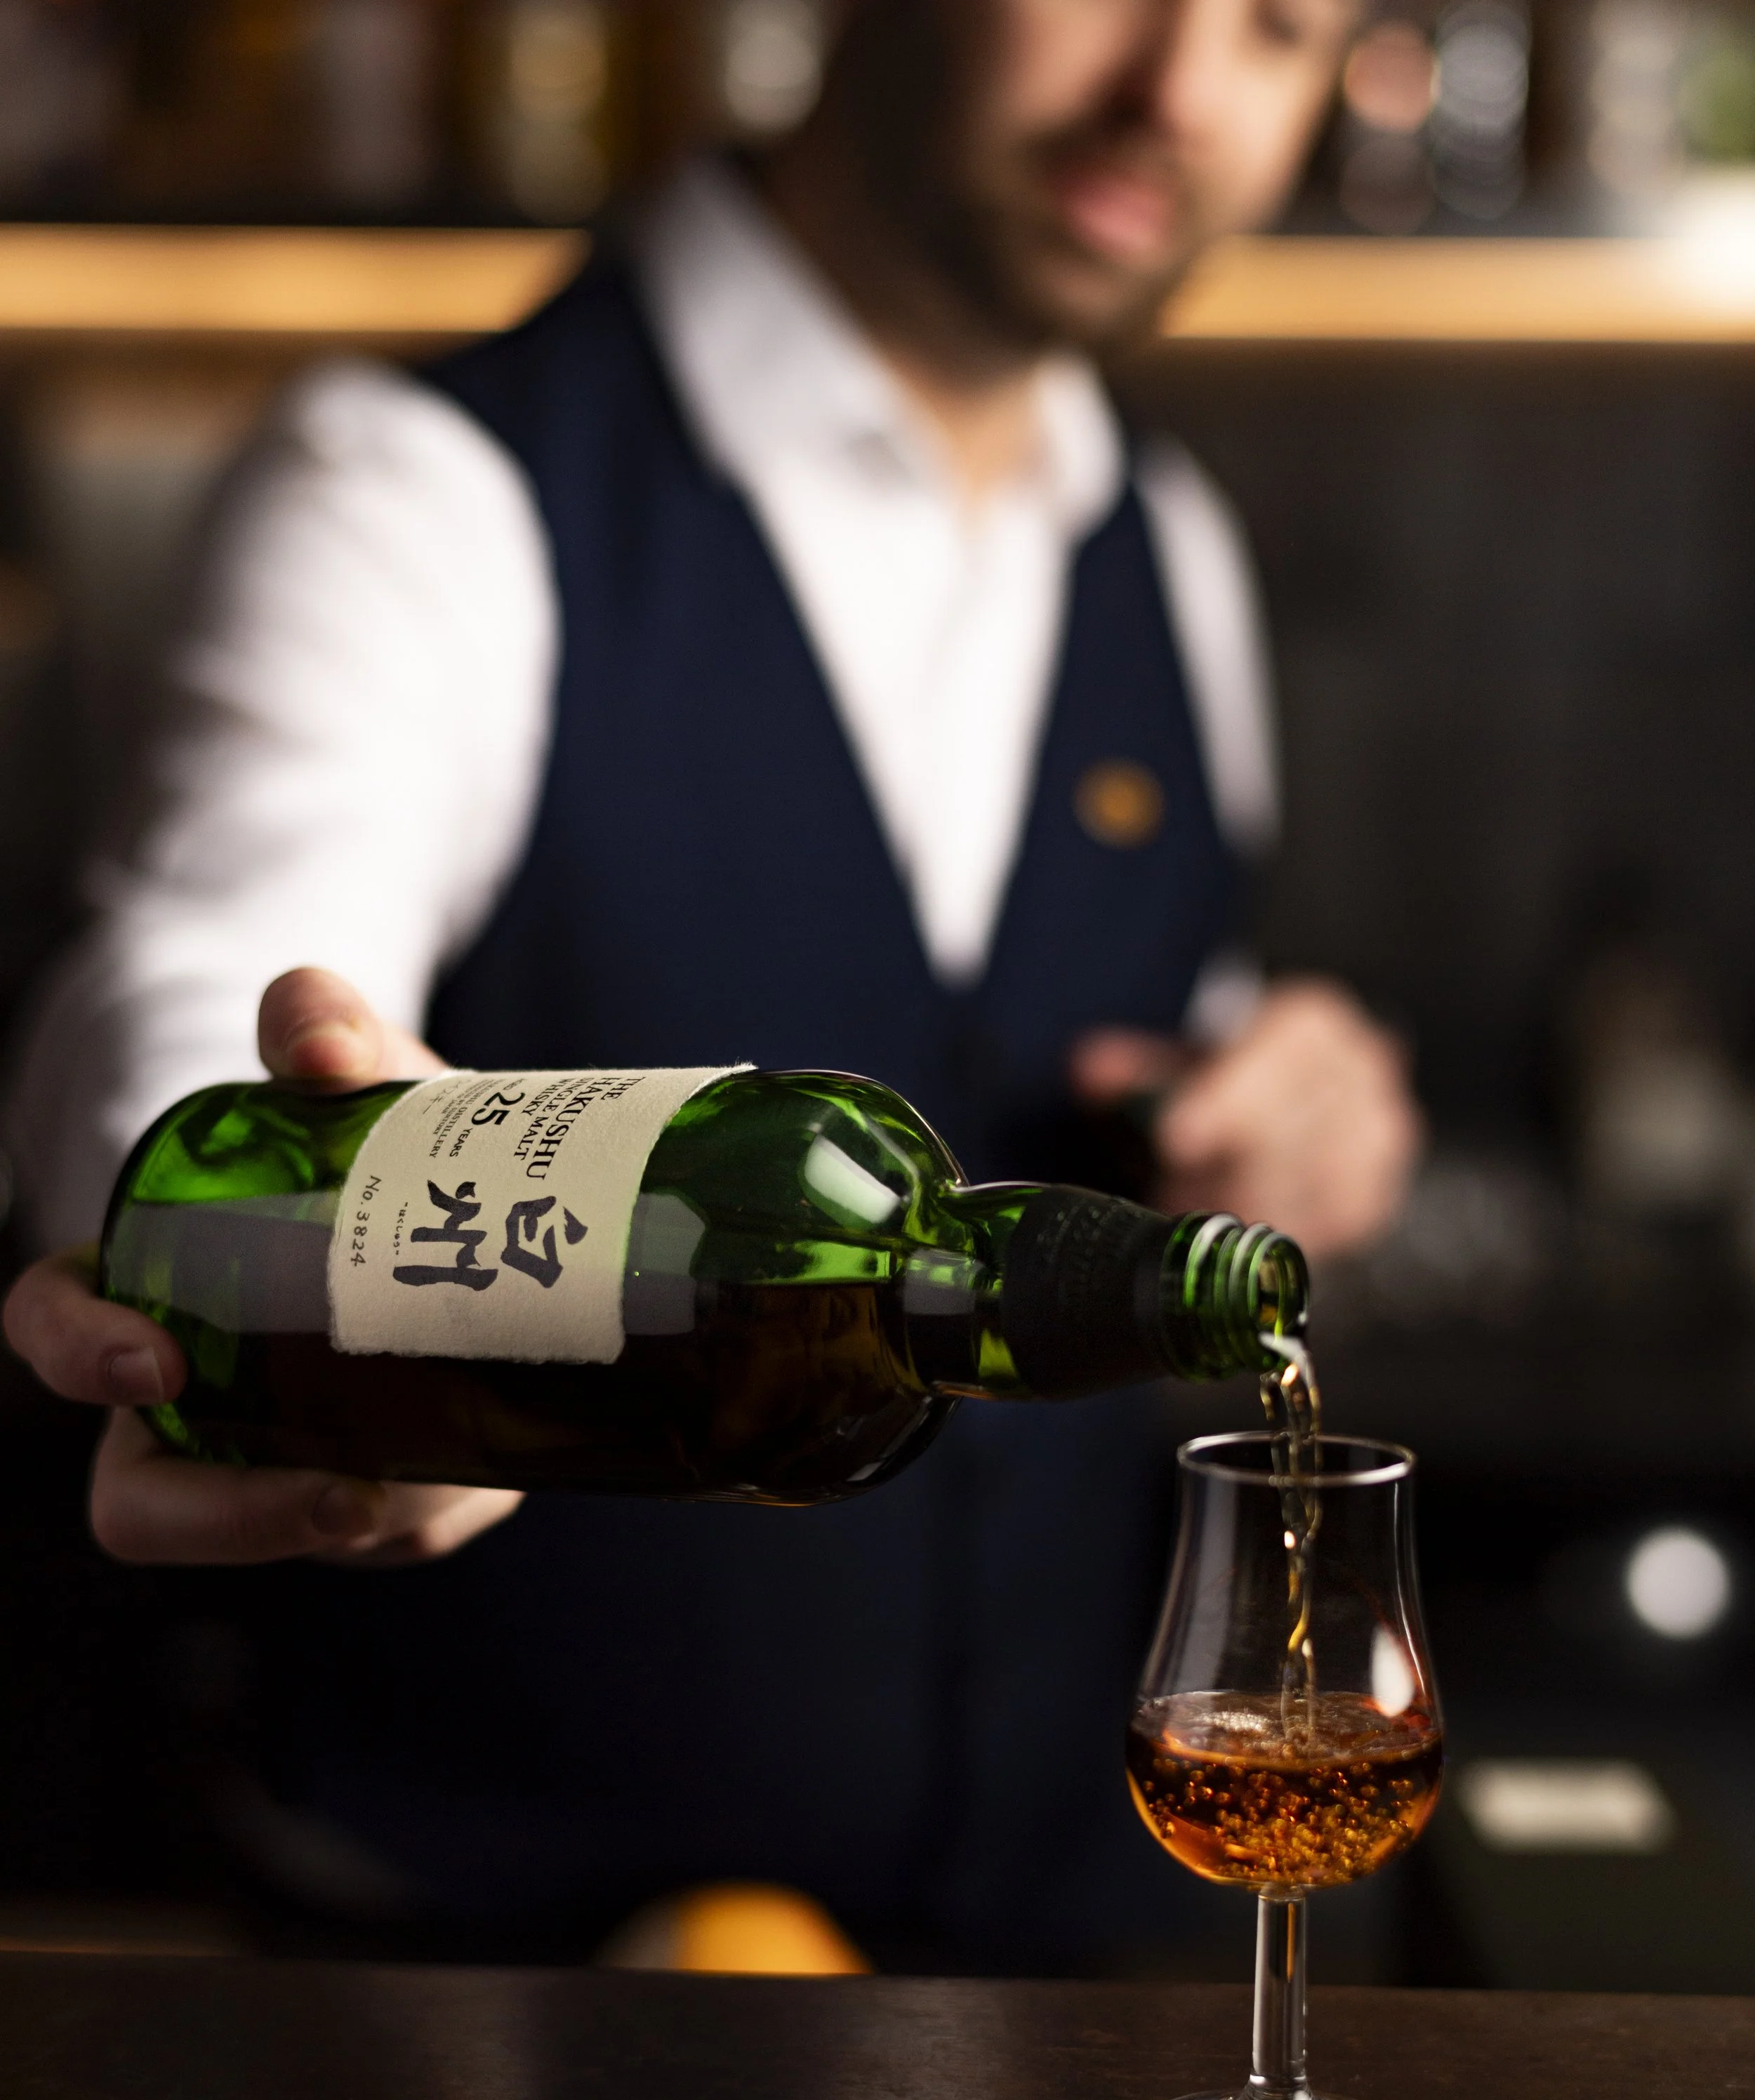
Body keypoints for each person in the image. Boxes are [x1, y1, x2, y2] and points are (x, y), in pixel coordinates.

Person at [3, 0, 1419, 1967]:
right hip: (509, 2033)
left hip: (1061, 2001)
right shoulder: (420, 487)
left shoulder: (1166, 544)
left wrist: (1284, 1102)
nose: (1174, 91)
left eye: (1277, 30)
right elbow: (190, 967)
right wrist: (241, 1249)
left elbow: (1146, 1030)